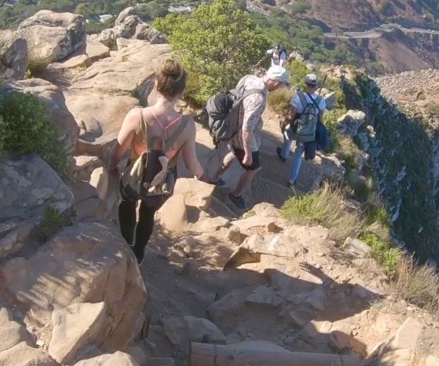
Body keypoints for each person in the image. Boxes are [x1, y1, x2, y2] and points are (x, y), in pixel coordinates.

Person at [109, 59, 206, 262]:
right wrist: (203, 175)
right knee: (148, 213)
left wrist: (112, 167)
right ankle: (139, 253)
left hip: (133, 176)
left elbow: (118, 150)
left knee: (127, 203)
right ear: (181, 92)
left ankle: (126, 246)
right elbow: (191, 163)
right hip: (161, 182)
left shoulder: (138, 116)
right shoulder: (187, 125)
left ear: (156, 85)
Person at [212, 64, 292, 210]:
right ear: (275, 81)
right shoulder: (258, 98)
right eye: (280, 85)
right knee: (253, 168)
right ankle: (235, 195)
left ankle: (214, 178)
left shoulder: (249, 78)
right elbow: (247, 128)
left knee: (234, 153)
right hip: (240, 135)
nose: (280, 88)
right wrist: (248, 154)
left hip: (231, 126)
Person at [277, 73, 329, 188]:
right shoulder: (321, 101)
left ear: (306, 84)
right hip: (309, 130)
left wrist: (285, 122)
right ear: (316, 86)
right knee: (298, 154)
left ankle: (284, 154)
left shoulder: (298, 97)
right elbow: (320, 119)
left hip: (296, 125)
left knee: (287, 135)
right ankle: (292, 180)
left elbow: (291, 116)